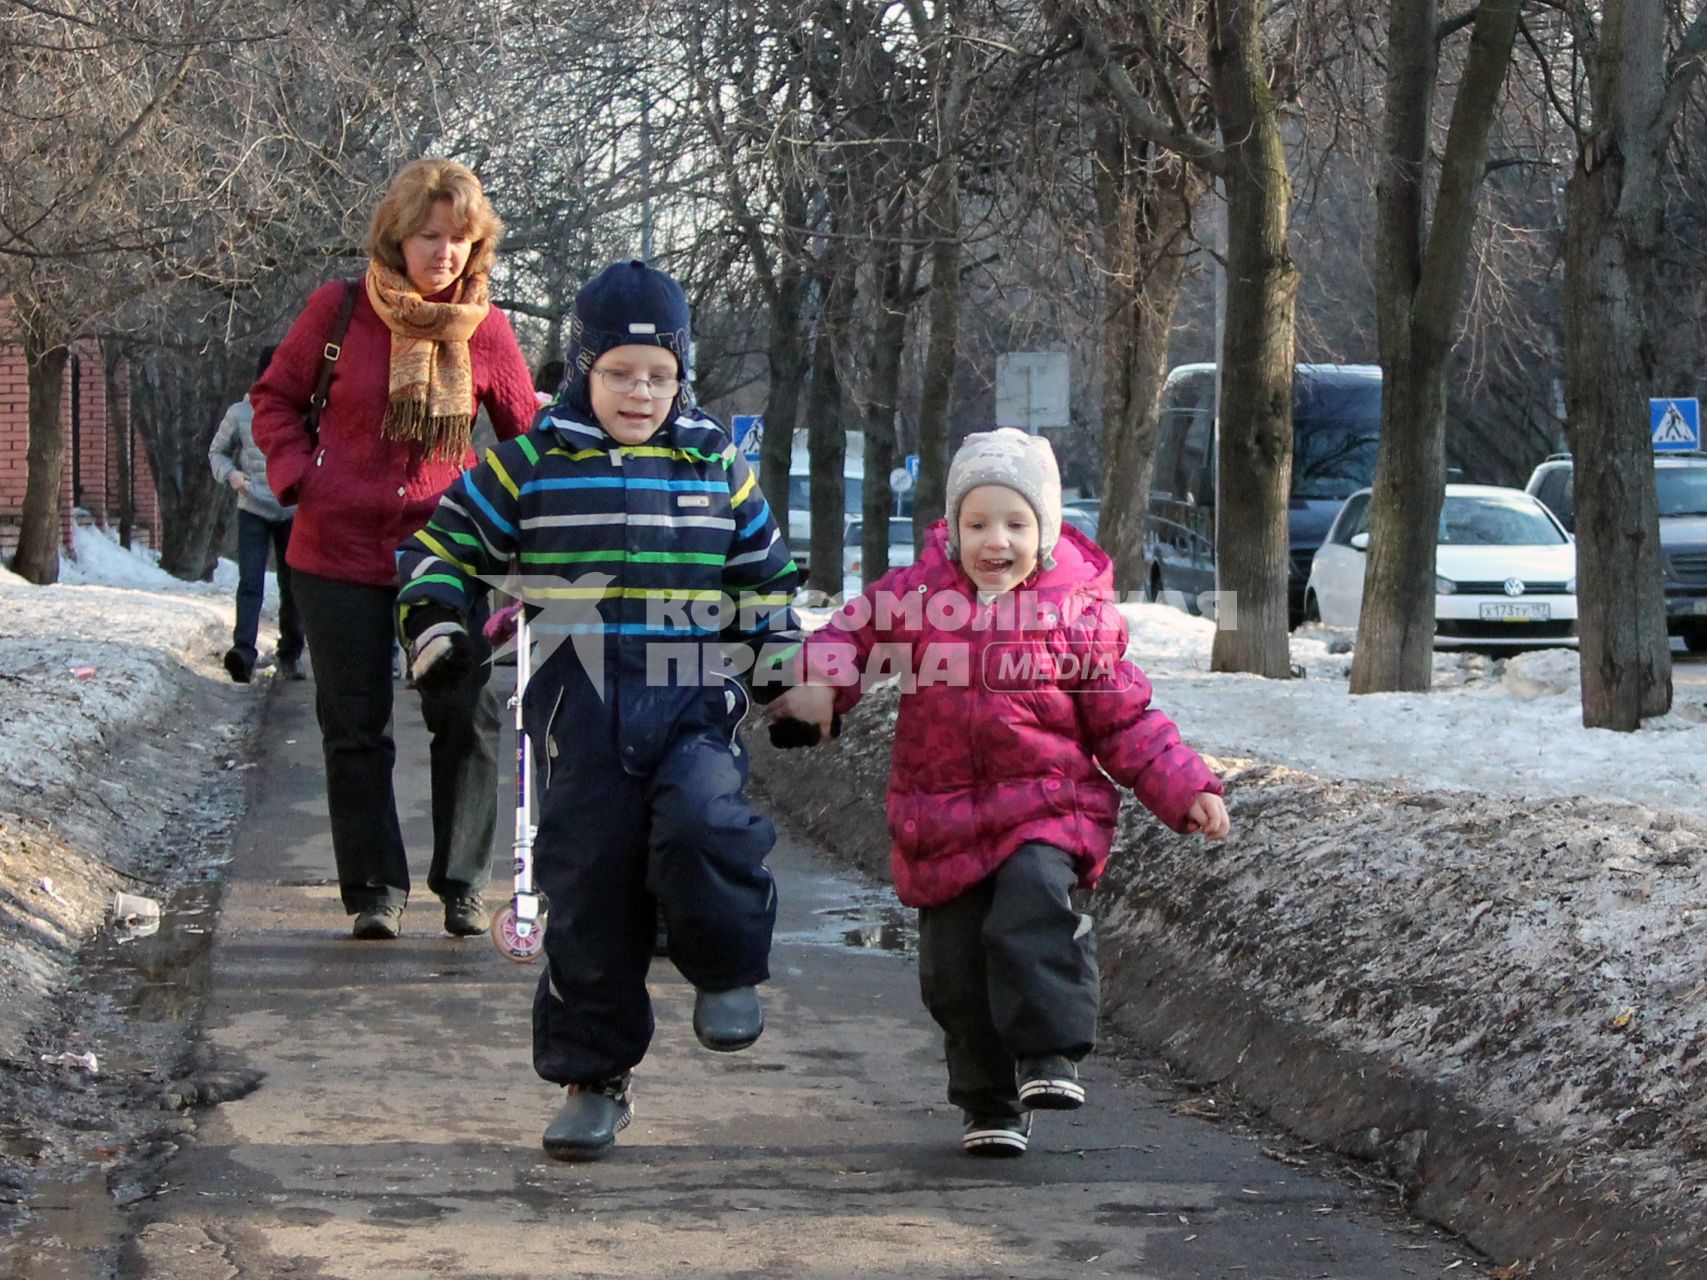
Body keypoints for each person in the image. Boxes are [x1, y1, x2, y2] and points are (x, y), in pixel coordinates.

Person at [395, 260, 800, 1161]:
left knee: (706, 824)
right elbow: (438, 549)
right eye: (620, 373)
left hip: (693, 695)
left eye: (659, 376)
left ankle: (726, 967)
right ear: (583, 368)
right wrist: (435, 627)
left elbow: (764, 583)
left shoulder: (714, 466)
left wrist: (779, 670)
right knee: (588, 884)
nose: (640, 392)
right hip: (579, 707)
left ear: (682, 376)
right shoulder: (530, 464)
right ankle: (593, 1075)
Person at [767, 428, 1230, 1158]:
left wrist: (1184, 787)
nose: (995, 541)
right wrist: (821, 685)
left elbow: (1127, 719)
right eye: (976, 523)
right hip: (940, 817)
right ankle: (988, 1102)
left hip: (1046, 807)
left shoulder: (1072, 614)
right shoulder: (920, 598)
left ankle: (1050, 1054)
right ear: (951, 529)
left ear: (1043, 532)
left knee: (1031, 906)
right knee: (952, 977)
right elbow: (849, 637)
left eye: (1015, 524)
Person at [250, 157, 537, 942]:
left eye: (458, 239)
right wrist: (298, 477)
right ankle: (374, 891)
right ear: (397, 237)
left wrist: (529, 524)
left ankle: (462, 886)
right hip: (333, 548)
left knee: (466, 713)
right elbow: (273, 397)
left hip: (445, 555)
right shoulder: (339, 310)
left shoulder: (490, 331)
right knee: (354, 725)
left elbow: (525, 444)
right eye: (428, 235)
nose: (443, 252)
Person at [208, 345, 305, 683]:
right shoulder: (240, 412)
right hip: (252, 506)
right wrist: (232, 476)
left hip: (292, 509)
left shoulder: (301, 409)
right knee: (251, 581)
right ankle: (242, 654)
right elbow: (217, 452)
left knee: (294, 585)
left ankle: (291, 654)